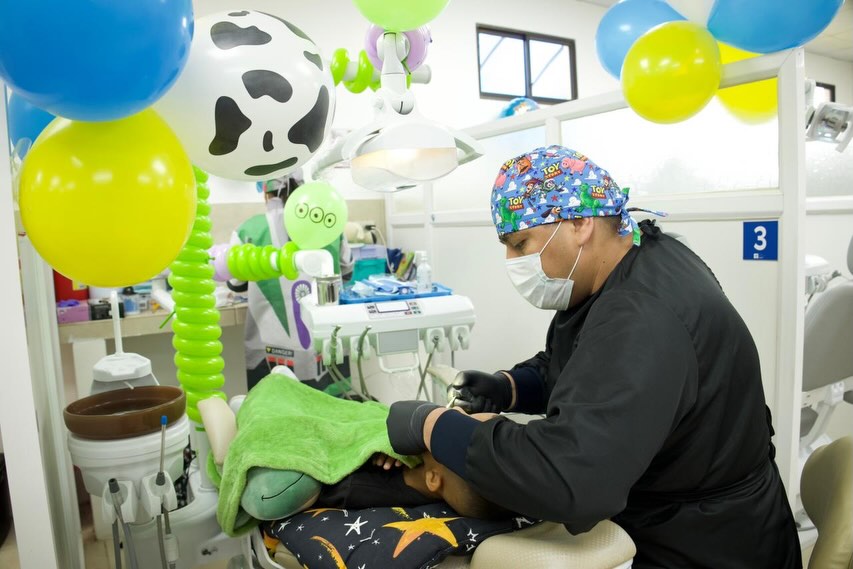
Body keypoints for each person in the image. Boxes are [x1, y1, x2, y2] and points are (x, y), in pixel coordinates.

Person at [385, 145, 802, 568]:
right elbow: (588, 369)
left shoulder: (641, 315)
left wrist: (433, 426)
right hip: (680, 515)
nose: (512, 261)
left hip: (709, 545)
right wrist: (509, 387)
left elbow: (568, 477)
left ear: (580, 223)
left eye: (520, 243)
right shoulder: (636, 260)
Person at [227, 172, 354, 391]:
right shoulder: (329, 224)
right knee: (330, 406)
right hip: (326, 344)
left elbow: (235, 283)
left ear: (265, 192)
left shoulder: (248, 231)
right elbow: (347, 271)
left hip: (272, 350)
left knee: (276, 407)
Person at [313, 451, 511, 519]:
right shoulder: (420, 459)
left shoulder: (359, 488)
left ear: (433, 479)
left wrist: (367, 452)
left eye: (448, 446)